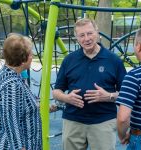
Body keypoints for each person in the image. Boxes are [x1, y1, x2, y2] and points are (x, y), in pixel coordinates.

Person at [52, 18, 127, 150]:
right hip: (73, 120)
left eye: (90, 33)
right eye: (82, 35)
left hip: (103, 121)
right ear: (76, 38)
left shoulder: (113, 60)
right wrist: (66, 98)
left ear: (97, 33)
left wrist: (108, 96)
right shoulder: (69, 60)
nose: (86, 39)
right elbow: (56, 91)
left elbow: (126, 94)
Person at [0, 33, 42, 150]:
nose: (32, 57)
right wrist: (19, 147)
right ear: (23, 59)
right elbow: (11, 121)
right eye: (30, 54)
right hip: (12, 145)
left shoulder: (8, 75)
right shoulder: (12, 85)